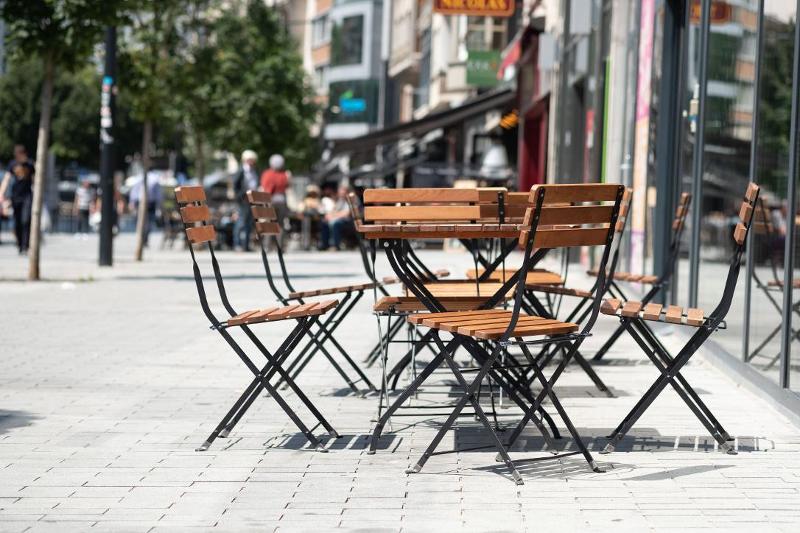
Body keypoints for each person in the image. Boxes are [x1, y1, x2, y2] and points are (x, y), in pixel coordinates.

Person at [0, 145, 35, 255]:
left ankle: (26, 245)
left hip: (27, 196)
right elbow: (6, 178)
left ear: (24, 154)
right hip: (15, 196)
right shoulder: (12, 164)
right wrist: (1, 194)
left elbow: (35, 179)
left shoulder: (29, 164)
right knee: (18, 221)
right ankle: (20, 244)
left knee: (26, 220)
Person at [232, 150, 259, 251]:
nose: (251, 162)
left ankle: (246, 245)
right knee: (240, 222)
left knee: (249, 223)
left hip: (252, 199)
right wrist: (240, 196)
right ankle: (237, 244)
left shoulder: (254, 170)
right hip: (243, 200)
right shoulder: (241, 171)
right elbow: (235, 186)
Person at [129, 173, 163, 247]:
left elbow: (134, 192)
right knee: (147, 223)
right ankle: (143, 239)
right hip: (147, 203)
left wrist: (132, 202)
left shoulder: (139, 178)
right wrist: (159, 205)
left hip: (145, 203)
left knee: (144, 223)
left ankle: (142, 239)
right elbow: (158, 195)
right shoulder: (153, 179)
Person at [319, 183, 353, 251]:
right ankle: (325, 245)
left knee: (335, 223)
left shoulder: (351, 199)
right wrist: (329, 216)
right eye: (340, 191)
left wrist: (333, 216)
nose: (341, 192)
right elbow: (334, 210)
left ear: (347, 192)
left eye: (343, 191)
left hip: (349, 222)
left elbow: (346, 214)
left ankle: (335, 245)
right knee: (324, 222)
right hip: (339, 220)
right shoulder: (339, 201)